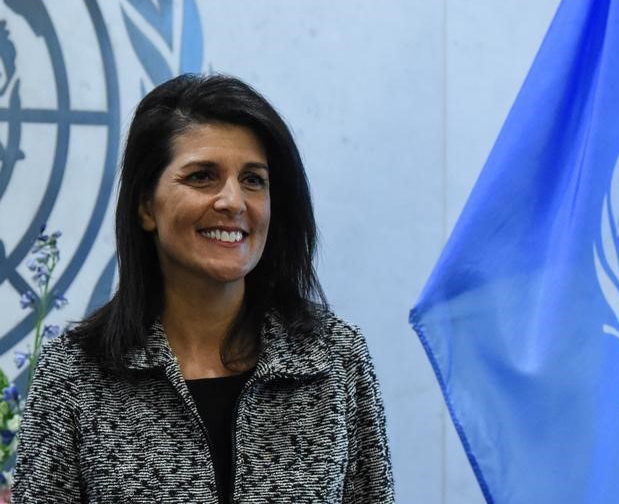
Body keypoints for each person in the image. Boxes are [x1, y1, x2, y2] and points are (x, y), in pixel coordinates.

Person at [12, 74, 394, 503]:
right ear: (145, 207)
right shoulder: (77, 372)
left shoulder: (335, 358)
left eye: (253, 180)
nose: (233, 201)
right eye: (201, 177)